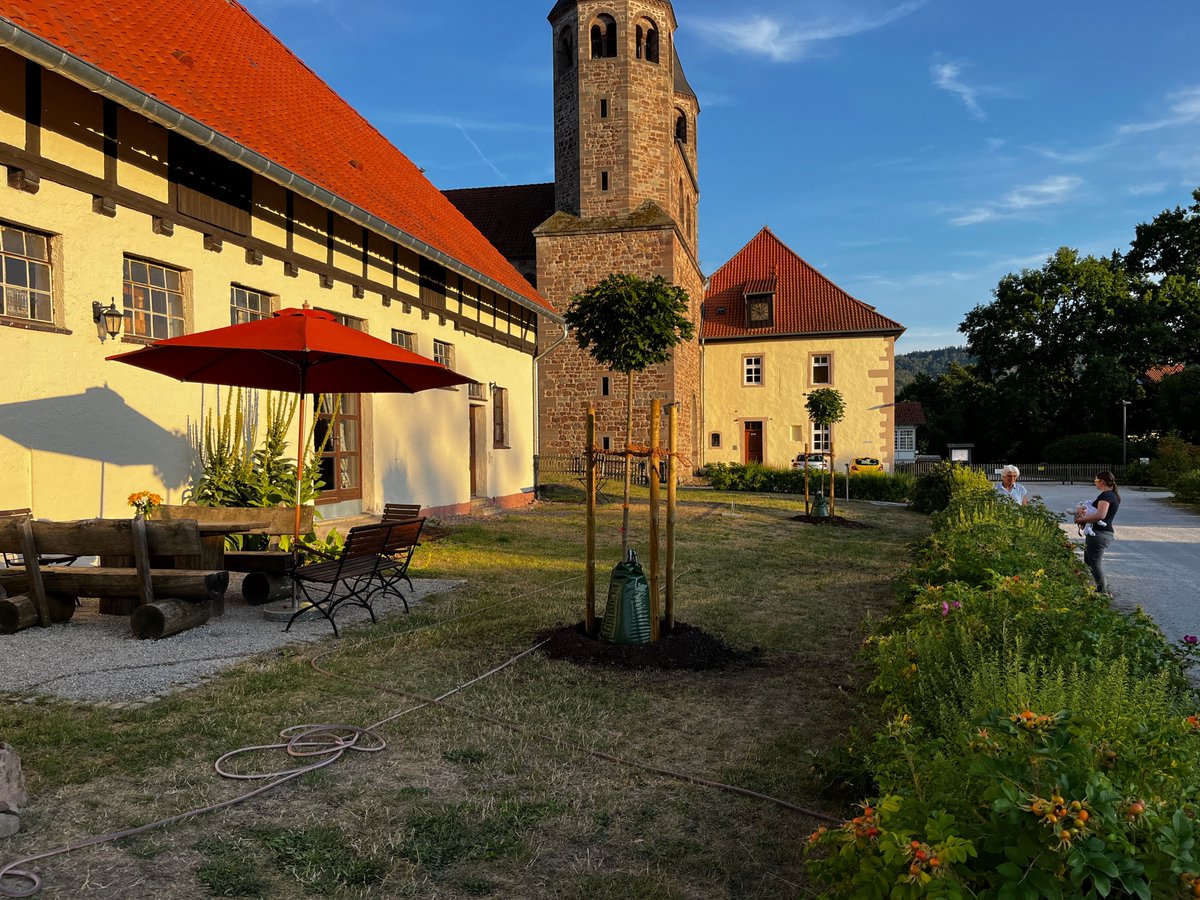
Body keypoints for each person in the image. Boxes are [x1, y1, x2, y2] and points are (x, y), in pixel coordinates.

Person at [1074, 470, 1120, 596]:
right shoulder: (1111, 495)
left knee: (1095, 563)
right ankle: (1100, 588)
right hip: (1100, 533)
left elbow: (1100, 515)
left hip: (1099, 534)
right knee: (1089, 562)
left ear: (1102, 482)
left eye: (1096, 481)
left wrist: (1081, 519)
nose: (1095, 483)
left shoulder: (1106, 496)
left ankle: (1103, 591)